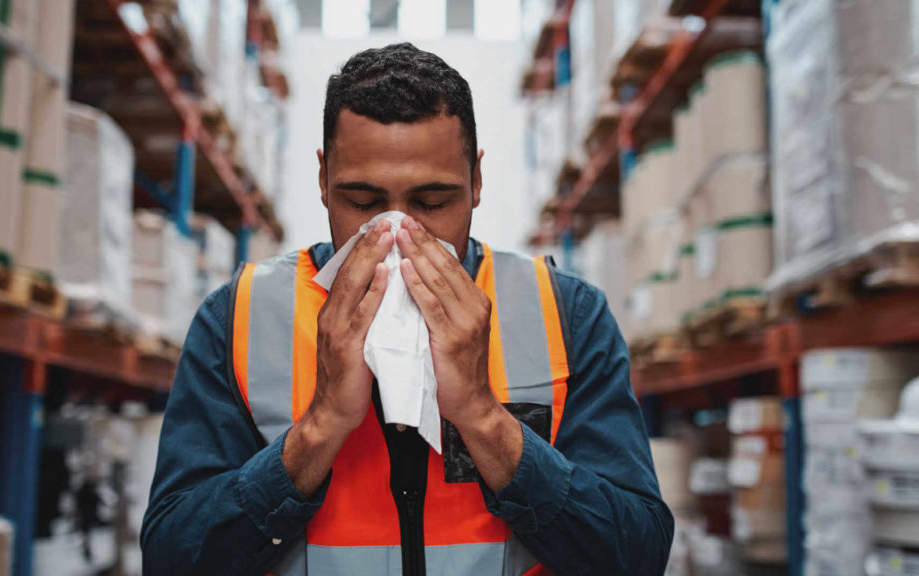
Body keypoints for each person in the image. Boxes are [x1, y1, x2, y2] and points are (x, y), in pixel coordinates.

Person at [141, 43, 674, 575]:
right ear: (324, 180)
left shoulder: (564, 313)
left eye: (433, 203)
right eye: (363, 202)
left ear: (477, 181)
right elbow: (173, 558)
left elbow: (636, 555)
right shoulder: (241, 317)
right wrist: (320, 427)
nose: (397, 233)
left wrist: (484, 419)